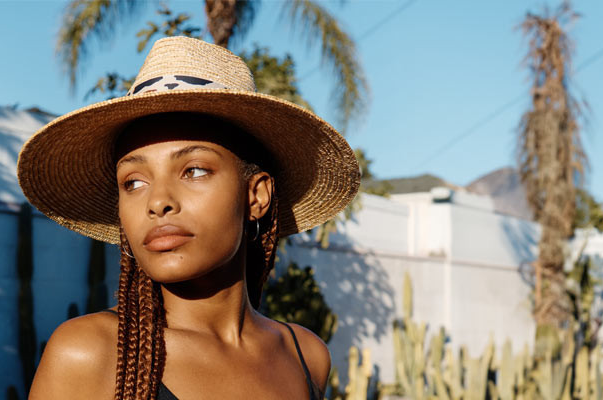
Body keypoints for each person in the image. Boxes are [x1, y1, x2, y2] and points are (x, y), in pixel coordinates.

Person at [18, 36, 360, 400]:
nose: (158, 202)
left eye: (194, 171)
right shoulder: (89, 353)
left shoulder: (304, 355)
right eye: (133, 182)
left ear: (256, 195)